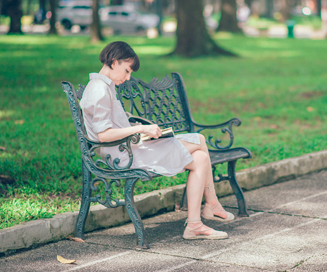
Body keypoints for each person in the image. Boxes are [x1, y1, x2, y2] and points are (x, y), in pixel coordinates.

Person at [80, 41, 234, 240]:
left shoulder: (103, 87)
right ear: (114, 61)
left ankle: (196, 223)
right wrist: (141, 128)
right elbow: (103, 136)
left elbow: (111, 124)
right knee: (199, 141)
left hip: (127, 148)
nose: (127, 78)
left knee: (201, 159)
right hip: (120, 155)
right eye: (127, 71)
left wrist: (139, 127)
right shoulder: (99, 89)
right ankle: (211, 205)